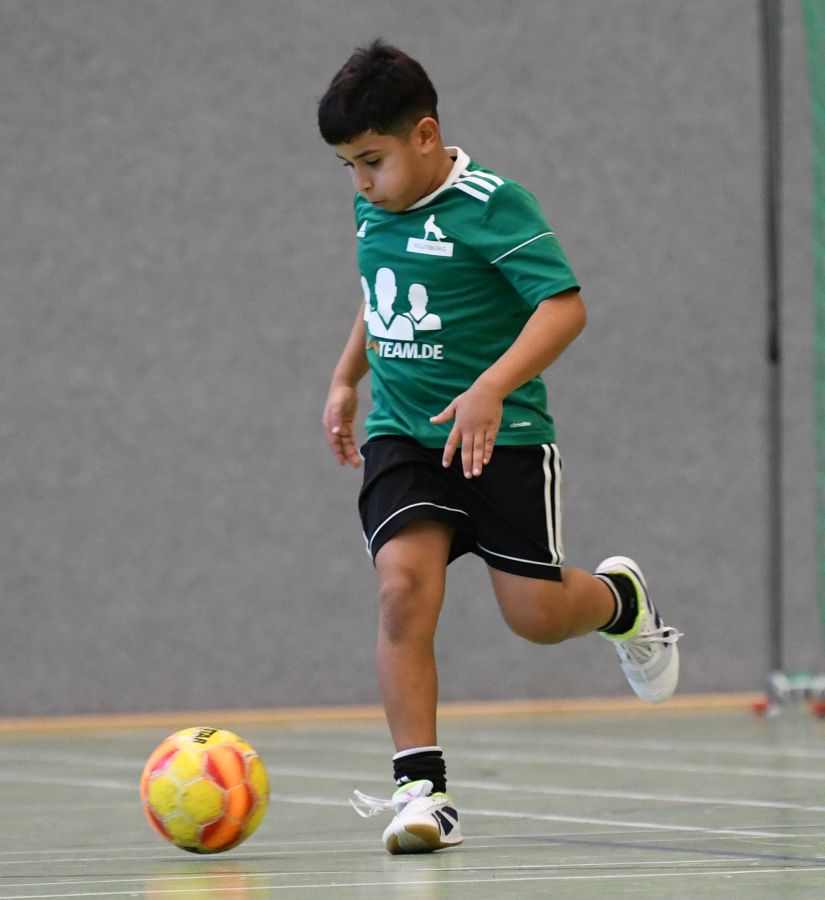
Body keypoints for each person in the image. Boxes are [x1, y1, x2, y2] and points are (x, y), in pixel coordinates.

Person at [316, 39, 682, 855]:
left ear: (425, 135)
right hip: (404, 434)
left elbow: (563, 307)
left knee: (537, 619)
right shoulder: (373, 207)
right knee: (402, 589)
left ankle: (620, 602)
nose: (360, 183)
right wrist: (346, 378)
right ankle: (422, 791)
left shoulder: (493, 204)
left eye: (371, 160)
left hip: (502, 439)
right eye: (347, 167)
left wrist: (491, 387)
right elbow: (379, 295)